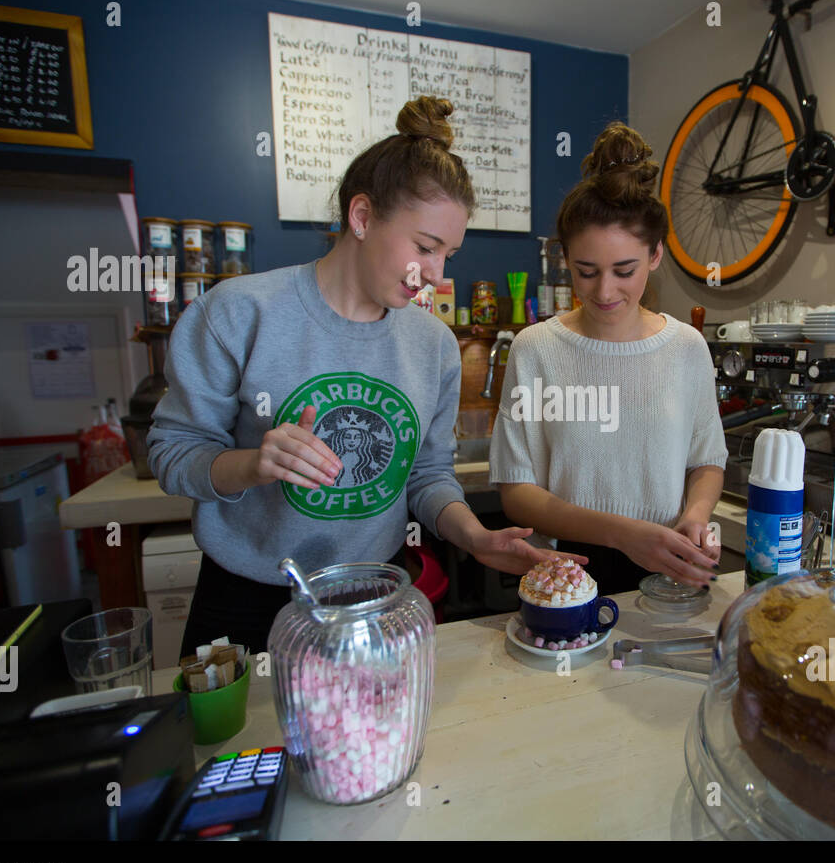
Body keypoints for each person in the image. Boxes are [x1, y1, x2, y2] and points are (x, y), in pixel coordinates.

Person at [149, 97, 574, 655]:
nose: (436, 276)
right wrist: (254, 464)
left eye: (449, 254)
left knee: (376, 742)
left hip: (376, 599)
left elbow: (426, 473)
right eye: (425, 247)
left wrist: (475, 537)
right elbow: (173, 455)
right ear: (362, 217)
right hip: (248, 599)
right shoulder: (239, 312)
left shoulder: (433, 345)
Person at [489, 122, 727, 597]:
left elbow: (706, 462)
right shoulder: (535, 349)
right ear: (566, 260)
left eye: (624, 271)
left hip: (666, 563)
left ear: (656, 254)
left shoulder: (686, 349)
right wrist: (622, 534)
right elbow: (516, 492)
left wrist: (695, 517)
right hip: (568, 572)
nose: (604, 291)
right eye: (586, 271)